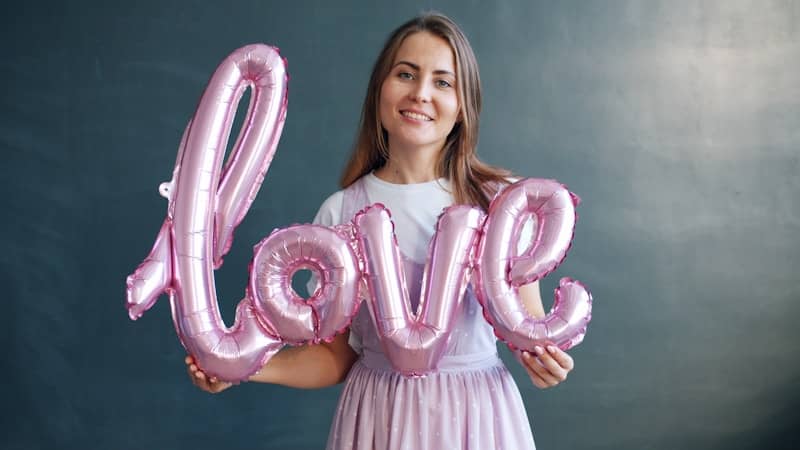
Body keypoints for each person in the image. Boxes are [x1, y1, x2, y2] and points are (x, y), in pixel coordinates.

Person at [186, 12, 574, 449]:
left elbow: (530, 329)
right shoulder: (341, 212)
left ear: (464, 105)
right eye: (406, 74)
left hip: (478, 419)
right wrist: (243, 367)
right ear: (380, 90)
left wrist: (544, 363)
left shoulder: (501, 204)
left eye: (443, 82)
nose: (421, 93)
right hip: (378, 421)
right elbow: (335, 357)